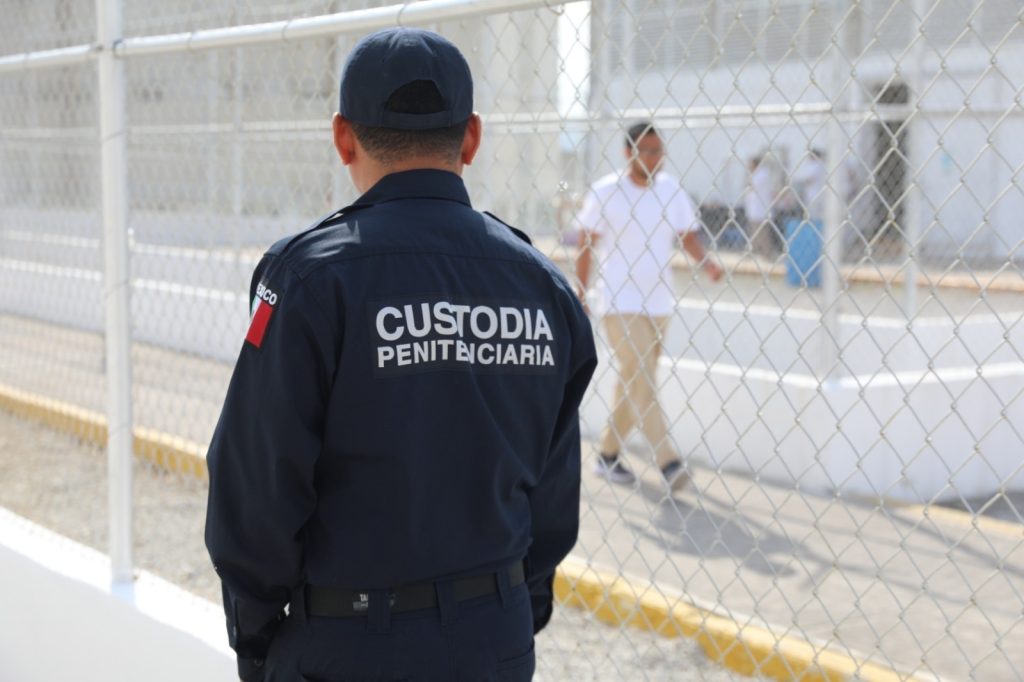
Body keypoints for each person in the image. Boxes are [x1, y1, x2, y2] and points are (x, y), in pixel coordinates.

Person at [205, 27, 597, 682]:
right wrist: (507, 610)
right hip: (493, 641)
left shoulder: (312, 278)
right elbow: (554, 492)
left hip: (348, 643)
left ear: (343, 138)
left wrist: (256, 634)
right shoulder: (543, 286)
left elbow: (256, 482)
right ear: (471, 138)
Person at [574, 122, 722, 491]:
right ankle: (668, 461)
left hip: (659, 303)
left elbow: (688, 236)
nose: (656, 158)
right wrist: (580, 290)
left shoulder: (671, 190)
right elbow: (586, 242)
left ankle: (607, 455)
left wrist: (707, 264)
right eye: (649, 151)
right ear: (629, 153)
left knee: (635, 379)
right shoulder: (606, 191)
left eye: (660, 151)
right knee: (640, 371)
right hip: (618, 301)